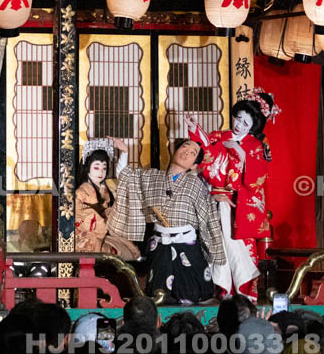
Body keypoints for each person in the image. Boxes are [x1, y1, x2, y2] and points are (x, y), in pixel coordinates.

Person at [185, 88, 280, 301]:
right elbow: (205, 146)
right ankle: (221, 290)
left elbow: (259, 177)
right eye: (238, 118)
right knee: (215, 247)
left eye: (245, 123)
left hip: (238, 204)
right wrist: (194, 128)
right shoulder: (222, 136)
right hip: (213, 200)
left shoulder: (256, 146)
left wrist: (241, 153)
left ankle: (244, 292)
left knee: (239, 250)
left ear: (253, 126)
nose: (239, 125)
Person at [107, 137, 226, 304]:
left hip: (187, 244)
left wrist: (215, 251)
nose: (186, 152)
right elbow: (127, 177)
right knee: (159, 295)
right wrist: (125, 152)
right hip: (160, 245)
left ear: (194, 165)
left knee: (193, 294)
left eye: (193, 153)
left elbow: (207, 218)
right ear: (175, 150)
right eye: (184, 147)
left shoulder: (196, 185)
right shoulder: (152, 177)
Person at [75, 137, 140, 260]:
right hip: (87, 239)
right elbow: (83, 222)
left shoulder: (107, 189)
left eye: (104, 168)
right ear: (87, 167)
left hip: (106, 236)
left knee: (127, 253)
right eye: (96, 167)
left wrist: (125, 152)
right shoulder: (80, 193)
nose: (101, 172)